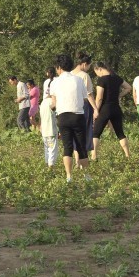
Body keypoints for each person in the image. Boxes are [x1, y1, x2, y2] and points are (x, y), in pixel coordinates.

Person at [48, 54, 92, 183]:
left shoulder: (55, 82)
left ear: (59, 67)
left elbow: (54, 103)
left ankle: (69, 176)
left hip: (63, 117)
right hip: (78, 116)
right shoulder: (78, 80)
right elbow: (85, 98)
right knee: (81, 146)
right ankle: (86, 176)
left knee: (67, 147)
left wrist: (52, 107)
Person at [90, 63, 132, 161]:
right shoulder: (117, 78)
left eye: (96, 72)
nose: (97, 75)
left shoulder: (101, 80)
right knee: (120, 133)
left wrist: (96, 110)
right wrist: (119, 95)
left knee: (96, 133)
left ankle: (94, 156)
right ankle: (127, 155)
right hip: (116, 108)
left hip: (104, 109)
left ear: (99, 69)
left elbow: (99, 97)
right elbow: (128, 87)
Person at [39, 68, 59, 168]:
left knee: (47, 146)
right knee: (53, 147)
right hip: (51, 129)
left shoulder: (43, 102)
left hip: (44, 130)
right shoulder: (53, 103)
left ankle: (47, 164)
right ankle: (51, 166)